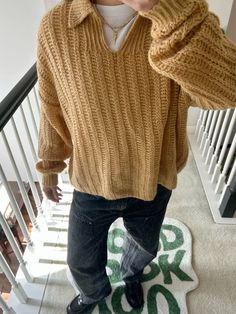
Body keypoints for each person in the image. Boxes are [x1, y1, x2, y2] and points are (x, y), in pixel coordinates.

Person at [35, 0, 236, 313]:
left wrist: (160, 8)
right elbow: (52, 104)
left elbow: (228, 87)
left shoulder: (181, 18)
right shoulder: (55, 27)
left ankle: (131, 275)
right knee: (80, 260)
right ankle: (94, 293)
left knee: (144, 248)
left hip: (153, 179)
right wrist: (49, 166)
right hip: (92, 179)